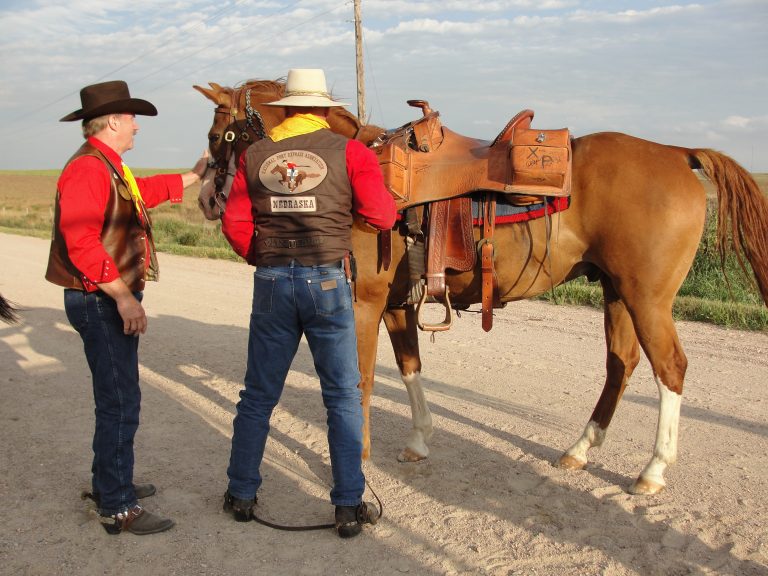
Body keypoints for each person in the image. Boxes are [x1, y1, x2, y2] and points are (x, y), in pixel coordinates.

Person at [220, 68, 396, 538]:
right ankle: (346, 505)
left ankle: (240, 494)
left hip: (273, 281)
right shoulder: (351, 152)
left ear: (285, 110)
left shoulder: (254, 154)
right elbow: (382, 216)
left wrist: (266, 256)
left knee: (257, 395)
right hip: (327, 282)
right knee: (341, 394)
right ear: (323, 110)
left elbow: (235, 225)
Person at [45, 80, 208, 535]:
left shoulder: (108, 165)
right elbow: (81, 242)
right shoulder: (88, 170)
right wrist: (122, 297)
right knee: (120, 401)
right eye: (133, 118)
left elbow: (143, 192)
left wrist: (195, 174)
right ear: (114, 121)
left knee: (117, 398)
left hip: (103, 295)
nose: (137, 126)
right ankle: (117, 506)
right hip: (99, 298)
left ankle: (108, 483)